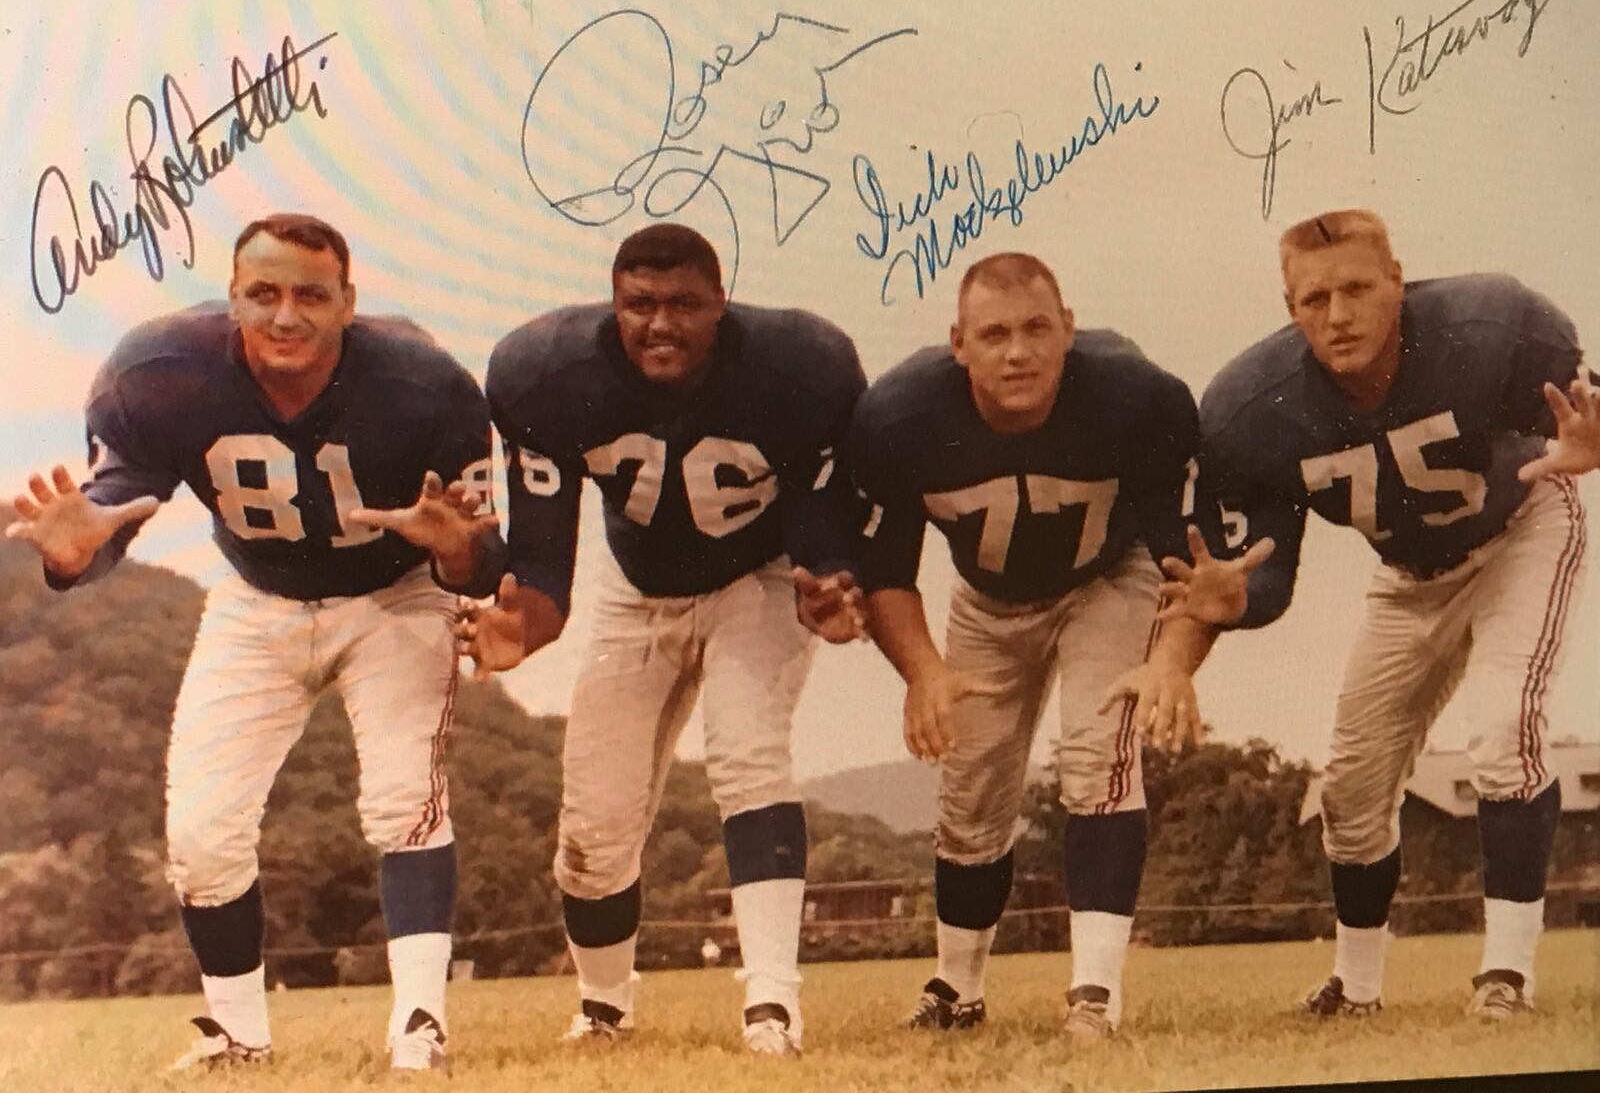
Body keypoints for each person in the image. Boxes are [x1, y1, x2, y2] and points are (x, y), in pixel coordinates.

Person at [6, 213, 504, 1074]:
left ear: (349, 304)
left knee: (402, 799)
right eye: (264, 294)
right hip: (258, 597)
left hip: (392, 593)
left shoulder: (426, 385)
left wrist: (454, 546)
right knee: (200, 831)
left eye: (312, 296)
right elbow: (111, 514)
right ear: (231, 297)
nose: (285, 317)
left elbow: (481, 559)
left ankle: (419, 1026)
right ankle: (238, 1034)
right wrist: (72, 551)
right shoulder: (160, 370)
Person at [458, 222, 866, 1057]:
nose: (661, 324)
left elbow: (823, 505)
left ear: (722, 301)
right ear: (614, 306)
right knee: (592, 821)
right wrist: (519, 632)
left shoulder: (797, 367)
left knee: (748, 754)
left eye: (684, 304)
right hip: (635, 589)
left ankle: (772, 1006)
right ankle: (606, 1008)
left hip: (757, 574)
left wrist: (829, 577)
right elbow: (542, 563)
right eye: (639, 305)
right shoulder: (548, 374)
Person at [847, 252, 1263, 1040]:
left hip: (1107, 578)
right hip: (987, 599)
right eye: (994, 333)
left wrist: (1173, 657)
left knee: (1097, 756)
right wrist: (922, 670)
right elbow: (885, 568)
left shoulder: (1140, 400)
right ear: (957, 343)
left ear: (1069, 328)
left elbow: (1188, 561)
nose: (1018, 352)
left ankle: (1095, 995)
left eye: (1038, 327)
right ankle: (956, 988)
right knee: (970, 793)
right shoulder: (899, 419)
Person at [1192, 208, 1596, 1020]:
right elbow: (1271, 574)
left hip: (1520, 531)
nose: (1337, 315)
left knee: (1502, 728)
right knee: (1349, 790)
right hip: (1408, 577)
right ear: (1289, 304)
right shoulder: (1252, 408)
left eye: (1356, 289)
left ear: (1397, 281)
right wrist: (1237, 600)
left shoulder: (1485, 323)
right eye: (1313, 299)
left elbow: (1585, 405)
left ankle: (1506, 975)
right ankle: (1358, 984)